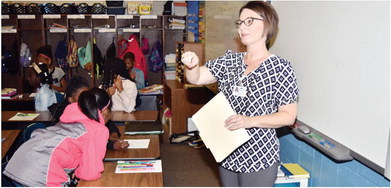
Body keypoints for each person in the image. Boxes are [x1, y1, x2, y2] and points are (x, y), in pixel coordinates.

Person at [181, 1, 299, 187]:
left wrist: (250, 121)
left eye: (249, 21)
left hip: (259, 155)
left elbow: (288, 116)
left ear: (268, 24)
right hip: (228, 149)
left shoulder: (281, 68)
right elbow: (196, 78)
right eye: (240, 22)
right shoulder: (230, 60)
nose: (242, 27)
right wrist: (192, 65)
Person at [3, 88, 112, 187]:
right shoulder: (98, 129)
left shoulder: (70, 117)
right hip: (40, 172)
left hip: (18, 164)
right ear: (104, 111)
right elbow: (89, 173)